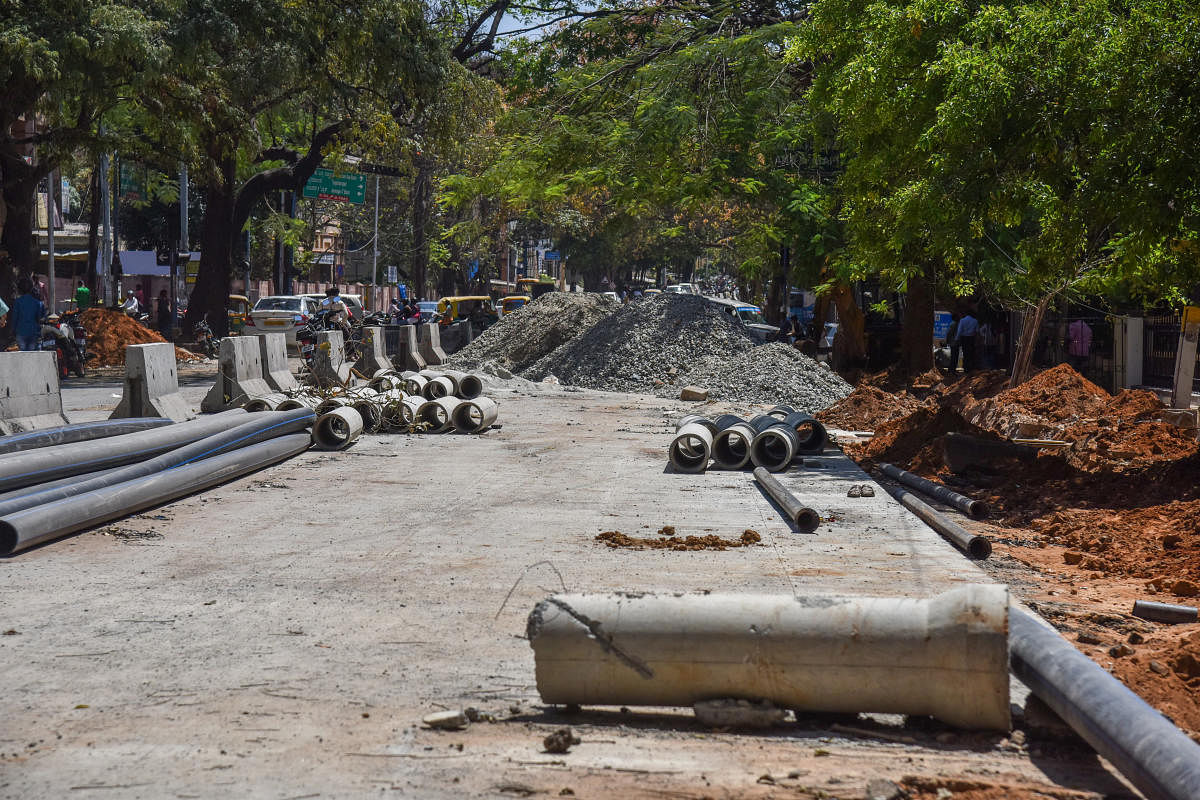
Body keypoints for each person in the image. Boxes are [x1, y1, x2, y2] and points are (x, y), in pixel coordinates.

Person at [12, 276, 46, 351]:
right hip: (34, 332)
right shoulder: (38, 303)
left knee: (22, 355)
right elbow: (41, 317)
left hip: (20, 331)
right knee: (31, 356)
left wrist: (13, 331)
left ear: (19, 289)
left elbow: (15, 318)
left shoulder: (17, 302)